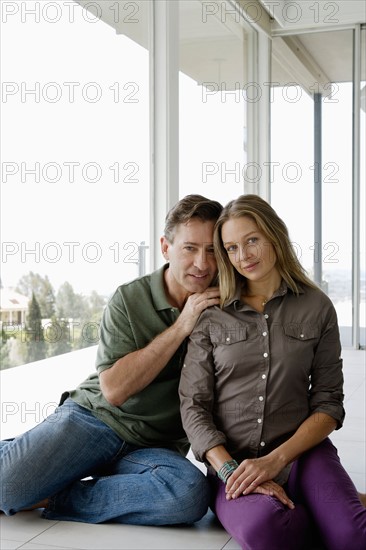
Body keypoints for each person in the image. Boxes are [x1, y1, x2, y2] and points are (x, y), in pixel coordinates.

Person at [0, 194, 223, 525]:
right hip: (95, 420)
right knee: (8, 489)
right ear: (166, 247)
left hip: (155, 447)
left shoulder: (225, 304)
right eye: (190, 248)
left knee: (188, 495)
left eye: (212, 251)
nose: (202, 264)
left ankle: (56, 493)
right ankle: (24, 458)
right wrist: (181, 326)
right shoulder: (129, 298)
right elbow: (115, 390)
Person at [179, 194, 366, 549]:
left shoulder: (317, 307)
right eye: (232, 248)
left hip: (303, 454)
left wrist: (276, 460)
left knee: (353, 536)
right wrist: (231, 470)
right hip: (233, 464)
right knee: (269, 528)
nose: (244, 255)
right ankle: (326, 510)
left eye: (252, 240)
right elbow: (193, 406)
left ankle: (332, 511)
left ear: (274, 236)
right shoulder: (212, 315)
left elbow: (328, 404)